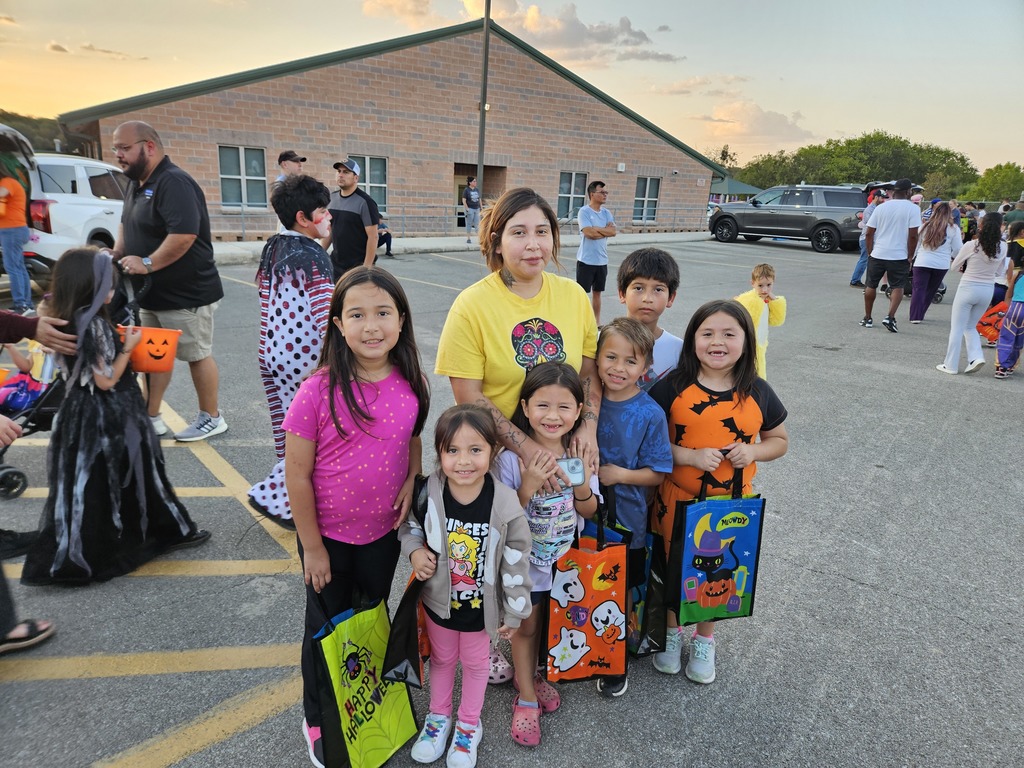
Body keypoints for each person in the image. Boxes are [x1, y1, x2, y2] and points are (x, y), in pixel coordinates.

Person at [435, 187, 602, 688]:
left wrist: (587, 425)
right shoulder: (472, 305)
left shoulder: (572, 295)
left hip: (560, 446)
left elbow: (588, 370)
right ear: (496, 239)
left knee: (544, 556)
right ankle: (490, 641)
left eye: (542, 232)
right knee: (492, 556)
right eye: (519, 232)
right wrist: (526, 447)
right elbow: (469, 396)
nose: (533, 244)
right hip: (497, 457)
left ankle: (536, 646)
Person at [285, 266, 429, 768]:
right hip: (327, 539)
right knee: (323, 628)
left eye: (383, 313)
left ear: (402, 320)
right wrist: (314, 548)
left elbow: (412, 437)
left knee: (368, 620)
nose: (372, 326)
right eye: (358, 315)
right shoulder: (316, 391)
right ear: (338, 325)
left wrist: (413, 475)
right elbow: (296, 476)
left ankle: (361, 708)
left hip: (383, 535)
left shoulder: (410, 383)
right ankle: (319, 718)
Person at [21, 247, 210, 586]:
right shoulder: (93, 324)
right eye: (108, 285)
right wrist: (128, 346)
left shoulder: (59, 316)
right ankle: (127, 543)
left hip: (77, 411)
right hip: (109, 414)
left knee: (88, 482)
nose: (113, 292)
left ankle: (107, 542)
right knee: (132, 474)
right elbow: (106, 380)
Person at [650, 299, 788, 684]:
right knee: (672, 565)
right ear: (693, 338)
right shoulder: (673, 386)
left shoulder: (757, 390)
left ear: (746, 341)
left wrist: (754, 450)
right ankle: (673, 634)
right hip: (675, 501)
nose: (718, 342)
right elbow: (652, 442)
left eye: (729, 333)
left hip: (730, 508)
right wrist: (688, 456)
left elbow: (779, 440)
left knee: (717, 575)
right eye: (707, 333)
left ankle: (705, 639)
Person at [400, 405, 532, 768]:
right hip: (438, 603)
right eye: (452, 450)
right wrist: (413, 553)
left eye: (475, 450)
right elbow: (409, 527)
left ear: (492, 451)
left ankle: (468, 727)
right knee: (442, 660)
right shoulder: (428, 492)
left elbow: (518, 556)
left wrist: (516, 609)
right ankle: (438, 718)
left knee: (475, 666)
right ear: (439, 452)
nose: (463, 461)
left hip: (481, 609)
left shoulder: (504, 502)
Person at [495, 362, 598, 747]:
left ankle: (535, 674)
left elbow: (589, 511)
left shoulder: (579, 453)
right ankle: (525, 699)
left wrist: (583, 484)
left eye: (564, 407)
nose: (552, 416)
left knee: (552, 624)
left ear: (578, 411)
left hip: (566, 563)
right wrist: (528, 486)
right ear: (524, 407)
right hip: (525, 563)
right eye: (542, 406)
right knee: (527, 626)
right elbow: (503, 522)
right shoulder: (510, 459)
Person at [110, 121, 226, 442]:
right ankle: (152, 417)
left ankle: (211, 417)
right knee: (152, 355)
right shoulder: (136, 182)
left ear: (148, 146)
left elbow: (184, 235)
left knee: (196, 353)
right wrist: (118, 251)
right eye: (116, 149)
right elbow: (126, 222)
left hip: (187, 292)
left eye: (124, 148)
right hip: (150, 293)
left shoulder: (174, 182)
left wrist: (147, 262)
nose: (118, 155)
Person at [247, 175, 335, 529]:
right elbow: (324, 311)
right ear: (304, 217)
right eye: (323, 211)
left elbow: (263, 295)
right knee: (312, 433)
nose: (329, 217)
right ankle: (276, 497)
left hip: (274, 354)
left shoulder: (275, 247)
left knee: (289, 431)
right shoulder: (313, 258)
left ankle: (288, 498)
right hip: (306, 362)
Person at [593, 318, 673, 697]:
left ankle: (614, 656)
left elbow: (658, 473)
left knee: (619, 588)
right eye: (610, 357)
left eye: (630, 361)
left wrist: (619, 474)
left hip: (627, 520)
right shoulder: (585, 404)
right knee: (582, 579)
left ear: (645, 368)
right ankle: (576, 643)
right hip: (581, 517)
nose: (618, 368)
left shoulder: (650, 413)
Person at [937, 213, 1011, 375]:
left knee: (957, 328)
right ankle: (976, 357)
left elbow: (954, 267)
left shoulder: (972, 245)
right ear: (1000, 227)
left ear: (982, 226)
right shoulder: (1003, 247)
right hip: (987, 289)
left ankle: (950, 365)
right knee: (970, 326)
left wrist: (967, 266)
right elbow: (999, 271)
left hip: (968, 287)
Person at [861, 178, 922, 333]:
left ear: (894, 192)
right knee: (897, 286)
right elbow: (913, 235)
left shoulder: (881, 207)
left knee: (871, 285)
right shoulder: (913, 209)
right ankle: (890, 316)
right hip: (899, 255)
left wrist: (870, 252)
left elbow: (869, 232)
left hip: (878, 253)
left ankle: (867, 317)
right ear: (909, 192)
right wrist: (910, 256)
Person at [617, 247, 682, 391]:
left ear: (671, 298)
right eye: (638, 288)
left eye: (658, 289)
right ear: (622, 293)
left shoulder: (679, 350)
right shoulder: (599, 340)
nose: (647, 298)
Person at [321, 158, 380, 278]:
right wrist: (319, 252)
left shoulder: (366, 202)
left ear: (356, 178)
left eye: (346, 172)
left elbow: (373, 237)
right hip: (336, 265)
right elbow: (330, 230)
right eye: (339, 171)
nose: (341, 175)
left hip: (358, 267)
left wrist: (366, 268)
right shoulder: (331, 199)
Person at [909, 202, 961, 324]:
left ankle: (915, 316)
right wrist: (952, 257)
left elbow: (916, 244)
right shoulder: (953, 229)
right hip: (941, 264)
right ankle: (921, 312)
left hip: (922, 261)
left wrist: (911, 258)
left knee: (918, 289)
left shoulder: (925, 226)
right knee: (930, 290)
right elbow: (958, 248)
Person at [733, 263, 786, 379]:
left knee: (758, 379)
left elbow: (776, 320)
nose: (765, 289)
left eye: (769, 285)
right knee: (751, 379)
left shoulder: (767, 300)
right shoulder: (749, 301)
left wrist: (775, 300)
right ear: (752, 283)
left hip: (760, 347)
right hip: (748, 348)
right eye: (760, 285)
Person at [575, 181, 617, 324]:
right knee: (581, 294)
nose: (605, 195)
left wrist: (596, 229)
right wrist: (603, 231)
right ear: (592, 194)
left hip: (602, 261)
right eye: (602, 192)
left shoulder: (607, 213)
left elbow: (613, 232)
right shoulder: (584, 212)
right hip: (586, 261)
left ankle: (596, 323)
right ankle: (580, 321)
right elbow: (588, 233)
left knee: (597, 294)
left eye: (606, 193)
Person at [0, 158, 35, 315]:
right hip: (16, 228)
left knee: (13, 267)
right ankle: (27, 304)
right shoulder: (14, 182)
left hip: (11, 230)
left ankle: (21, 304)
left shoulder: (8, 182)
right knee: (19, 267)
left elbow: (2, 194)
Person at [995, 228, 1024, 378]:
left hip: (1014, 308)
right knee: (1019, 340)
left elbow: (1009, 293)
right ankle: (1011, 365)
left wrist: (1005, 307)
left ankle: (1001, 367)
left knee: (1007, 336)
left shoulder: (1018, 274)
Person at [850, 190, 885, 288]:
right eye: (882, 197)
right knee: (864, 259)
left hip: (871, 238)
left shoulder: (876, 208)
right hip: (866, 238)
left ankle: (859, 280)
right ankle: (855, 280)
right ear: (876, 197)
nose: (883, 200)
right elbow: (871, 224)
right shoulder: (870, 209)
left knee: (867, 260)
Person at [463, 176, 481, 244]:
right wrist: (467, 209)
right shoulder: (466, 190)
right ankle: (468, 238)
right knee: (469, 223)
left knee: (477, 224)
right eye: (474, 181)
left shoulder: (477, 189)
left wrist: (481, 207)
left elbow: (479, 199)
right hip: (470, 208)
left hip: (477, 208)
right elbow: (464, 200)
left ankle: (479, 239)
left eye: (475, 181)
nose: (475, 182)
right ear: (470, 182)